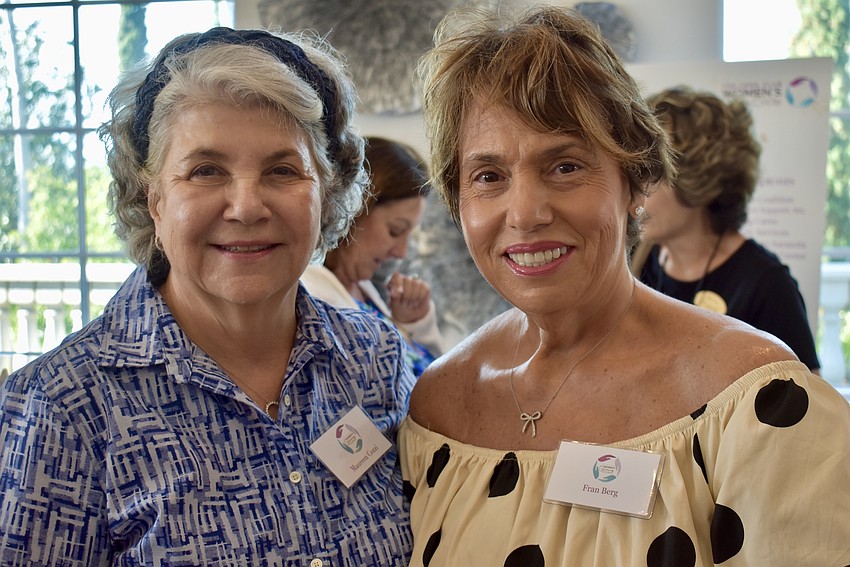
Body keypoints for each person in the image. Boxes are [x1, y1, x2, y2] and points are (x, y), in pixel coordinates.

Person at [399, 6, 850, 566]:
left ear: (635, 180)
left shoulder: (754, 402)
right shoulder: (437, 409)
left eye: (564, 166)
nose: (525, 212)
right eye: (488, 176)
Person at [0, 27, 414, 565]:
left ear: (327, 192)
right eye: (205, 171)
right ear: (153, 199)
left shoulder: (372, 360)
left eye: (282, 170)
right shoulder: (63, 408)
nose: (245, 207)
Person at [634, 86, 820, 372]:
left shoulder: (767, 285)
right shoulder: (638, 260)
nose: (635, 194)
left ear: (698, 180)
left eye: (650, 175)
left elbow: (805, 406)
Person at [301, 136, 445, 376]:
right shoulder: (316, 298)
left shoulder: (361, 287)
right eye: (395, 231)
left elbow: (438, 373)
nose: (400, 252)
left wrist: (414, 323)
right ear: (355, 211)